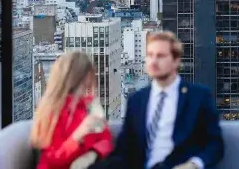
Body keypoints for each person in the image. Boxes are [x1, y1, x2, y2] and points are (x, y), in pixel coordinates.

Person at [94, 31, 224, 169]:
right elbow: (124, 148)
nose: (154, 61)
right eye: (150, 55)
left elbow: (215, 144)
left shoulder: (198, 96)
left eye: (160, 56)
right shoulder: (137, 100)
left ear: (176, 60)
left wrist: (193, 164)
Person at [30, 51, 114, 169]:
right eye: (87, 79)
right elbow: (52, 160)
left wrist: (92, 155)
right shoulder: (51, 113)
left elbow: (106, 139)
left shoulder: (88, 106)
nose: (89, 84)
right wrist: (77, 137)